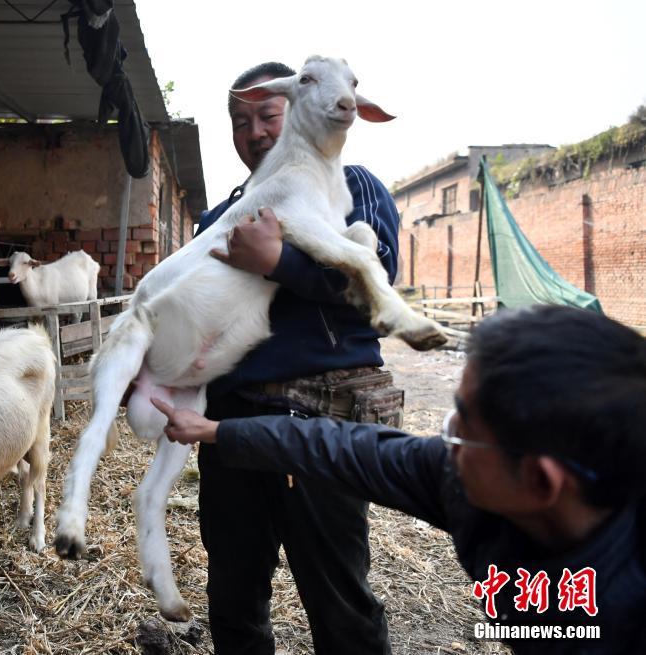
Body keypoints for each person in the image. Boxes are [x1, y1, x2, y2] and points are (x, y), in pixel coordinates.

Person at [153, 304, 646, 654]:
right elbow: (342, 448)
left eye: (463, 425)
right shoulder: (464, 480)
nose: (446, 438)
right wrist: (217, 431)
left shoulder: (623, 615)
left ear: (540, 481)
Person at [193, 61, 402, 654]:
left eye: (268, 116)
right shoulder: (223, 216)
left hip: (318, 420)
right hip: (229, 428)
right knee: (233, 596)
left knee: (339, 601)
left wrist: (277, 262)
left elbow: (376, 281)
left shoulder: (351, 184)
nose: (255, 132)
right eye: (240, 122)